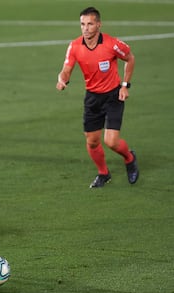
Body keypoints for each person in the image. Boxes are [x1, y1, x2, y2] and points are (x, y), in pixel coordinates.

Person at [56, 7, 139, 188]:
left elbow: (130, 58)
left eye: (90, 24)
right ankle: (103, 173)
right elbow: (67, 70)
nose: (85, 28)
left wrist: (125, 85)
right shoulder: (75, 46)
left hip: (113, 96)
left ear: (98, 25)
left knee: (111, 141)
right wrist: (62, 79)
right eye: (82, 24)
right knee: (92, 142)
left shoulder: (111, 44)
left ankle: (130, 158)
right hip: (92, 98)